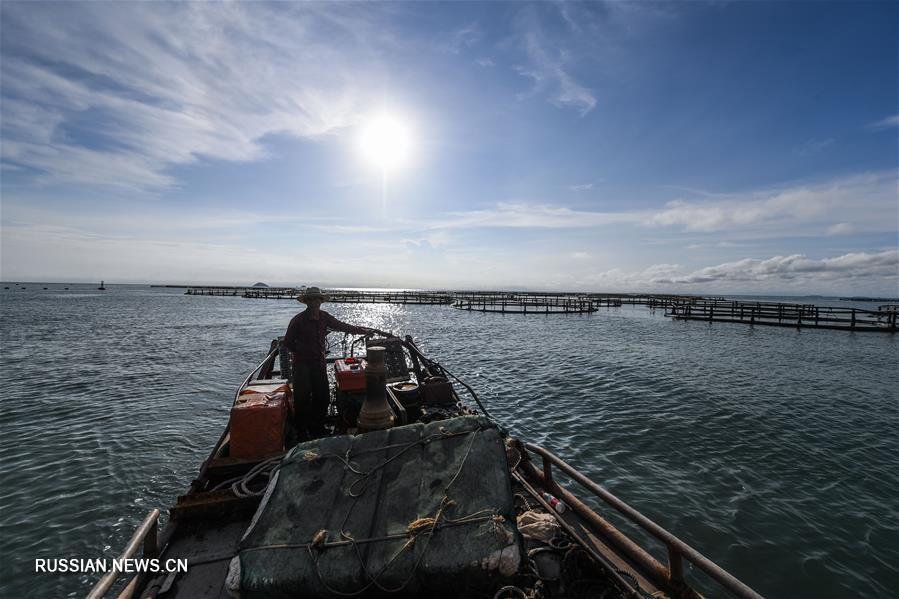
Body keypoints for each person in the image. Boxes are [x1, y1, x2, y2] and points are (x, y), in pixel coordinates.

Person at [283, 286, 389, 439]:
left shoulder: (325, 317)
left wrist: (364, 331)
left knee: (323, 396)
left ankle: (317, 427)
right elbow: (288, 343)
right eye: (311, 299)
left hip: (319, 363)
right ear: (307, 302)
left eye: (317, 299)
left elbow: (344, 326)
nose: (315, 302)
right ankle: (301, 431)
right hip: (302, 365)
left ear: (321, 301)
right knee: (302, 398)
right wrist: (302, 352)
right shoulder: (298, 320)